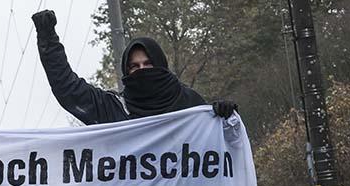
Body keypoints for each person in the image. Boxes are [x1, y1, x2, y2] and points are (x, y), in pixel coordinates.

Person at [31, 9, 237, 123]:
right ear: (127, 72)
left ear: (160, 65)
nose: (142, 70)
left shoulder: (190, 104)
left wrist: (223, 117)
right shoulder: (113, 109)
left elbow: (223, 151)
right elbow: (68, 90)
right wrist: (48, 40)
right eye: (135, 67)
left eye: (148, 64)